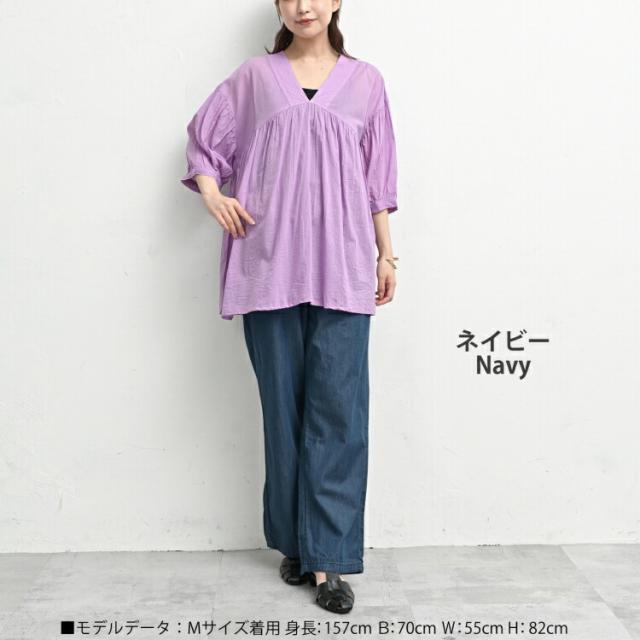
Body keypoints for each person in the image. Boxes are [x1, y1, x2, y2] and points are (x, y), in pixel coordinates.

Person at [180, 0, 399, 615]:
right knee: (283, 412)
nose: (304, 6)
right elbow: (205, 144)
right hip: (267, 264)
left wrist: (386, 255)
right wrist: (212, 196)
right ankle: (296, 544)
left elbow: (377, 180)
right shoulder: (254, 78)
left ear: (336, 3)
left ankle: (328, 561)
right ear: (279, 6)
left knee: (340, 415)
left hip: (345, 267)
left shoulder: (366, 82)